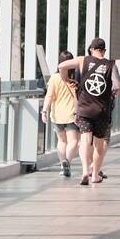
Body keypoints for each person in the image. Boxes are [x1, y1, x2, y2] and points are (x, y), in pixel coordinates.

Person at [58, 38, 120, 185]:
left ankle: (85, 171)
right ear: (104, 50)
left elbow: (62, 65)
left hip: (84, 109)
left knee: (85, 141)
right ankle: (95, 174)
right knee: (99, 144)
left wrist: (65, 79)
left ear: (91, 49)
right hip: (101, 110)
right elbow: (117, 86)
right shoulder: (111, 65)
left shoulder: (82, 60)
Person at [42, 50, 80, 178]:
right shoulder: (74, 79)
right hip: (72, 114)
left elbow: (49, 96)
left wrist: (44, 111)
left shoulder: (54, 78)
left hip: (57, 115)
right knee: (73, 141)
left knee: (62, 141)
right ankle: (67, 162)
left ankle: (62, 166)